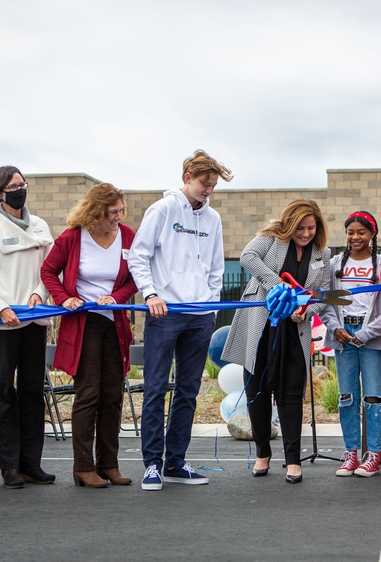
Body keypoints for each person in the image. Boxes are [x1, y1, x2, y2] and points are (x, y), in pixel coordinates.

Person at [129, 150, 232, 491]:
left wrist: (212, 306)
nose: (209, 191)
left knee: (188, 391)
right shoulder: (163, 209)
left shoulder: (213, 219)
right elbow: (139, 256)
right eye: (205, 183)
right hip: (166, 313)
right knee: (156, 388)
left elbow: (217, 267)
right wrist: (150, 294)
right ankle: (151, 465)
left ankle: (175, 461)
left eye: (213, 185)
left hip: (200, 315)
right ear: (188, 178)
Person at [222, 199, 333, 484]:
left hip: (294, 331)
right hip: (261, 325)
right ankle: (262, 454)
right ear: (289, 224)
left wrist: (305, 310)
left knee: (291, 393)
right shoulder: (270, 238)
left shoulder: (322, 254)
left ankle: (293, 460)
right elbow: (247, 257)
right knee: (257, 390)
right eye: (300, 228)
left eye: (311, 228)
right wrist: (277, 284)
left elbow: (324, 294)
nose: (306, 234)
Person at [41, 183, 139, 488]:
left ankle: (109, 464)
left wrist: (118, 295)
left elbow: (136, 277)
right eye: (113, 212)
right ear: (96, 212)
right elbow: (48, 272)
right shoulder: (72, 237)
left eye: (121, 210)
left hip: (115, 324)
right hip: (84, 324)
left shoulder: (128, 236)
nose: (119, 216)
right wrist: (63, 298)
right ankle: (83, 467)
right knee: (88, 394)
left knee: (113, 394)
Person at [0, 165, 55, 488]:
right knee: (4, 390)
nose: (20, 189)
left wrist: (39, 293)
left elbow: (49, 269)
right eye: (13, 186)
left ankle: (30, 462)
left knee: (34, 391)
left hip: (35, 320)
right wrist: (1, 308)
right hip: (3, 324)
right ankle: (8, 464)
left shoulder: (40, 226)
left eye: (23, 183)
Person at [320, 211, 381, 478]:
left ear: (372, 234)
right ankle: (350, 453)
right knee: (346, 397)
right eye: (351, 232)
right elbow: (325, 301)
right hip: (343, 337)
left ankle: (373, 455)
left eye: (361, 232)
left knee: (373, 398)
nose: (355, 237)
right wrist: (335, 327)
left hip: (370, 337)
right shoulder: (336, 263)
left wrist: (367, 332)